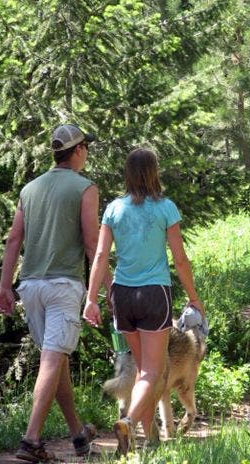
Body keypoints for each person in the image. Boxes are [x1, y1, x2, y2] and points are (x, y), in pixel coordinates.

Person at [0, 124, 110, 463]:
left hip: (30, 288)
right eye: (85, 147)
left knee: (55, 360)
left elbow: (14, 240)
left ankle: (78, 435)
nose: (86, 152)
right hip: (63, 287)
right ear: (77, 151)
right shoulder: (85, 187)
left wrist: (5, 287)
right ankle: (31, 441)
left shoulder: (29, 189)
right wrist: (107, 287)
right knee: (53, 358)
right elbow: (93, 244)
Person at [83, 146, 205, 456]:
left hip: (122, 295)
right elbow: (179, 259)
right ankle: (129, 421)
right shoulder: (165, 208)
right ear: (154, 173)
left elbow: (99, 256)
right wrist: (194, 297)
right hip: (154, 295)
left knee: (141, 373)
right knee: (152, 372)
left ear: (127, 174)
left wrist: (91, 299)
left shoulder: (113, 209)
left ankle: (149, 445)